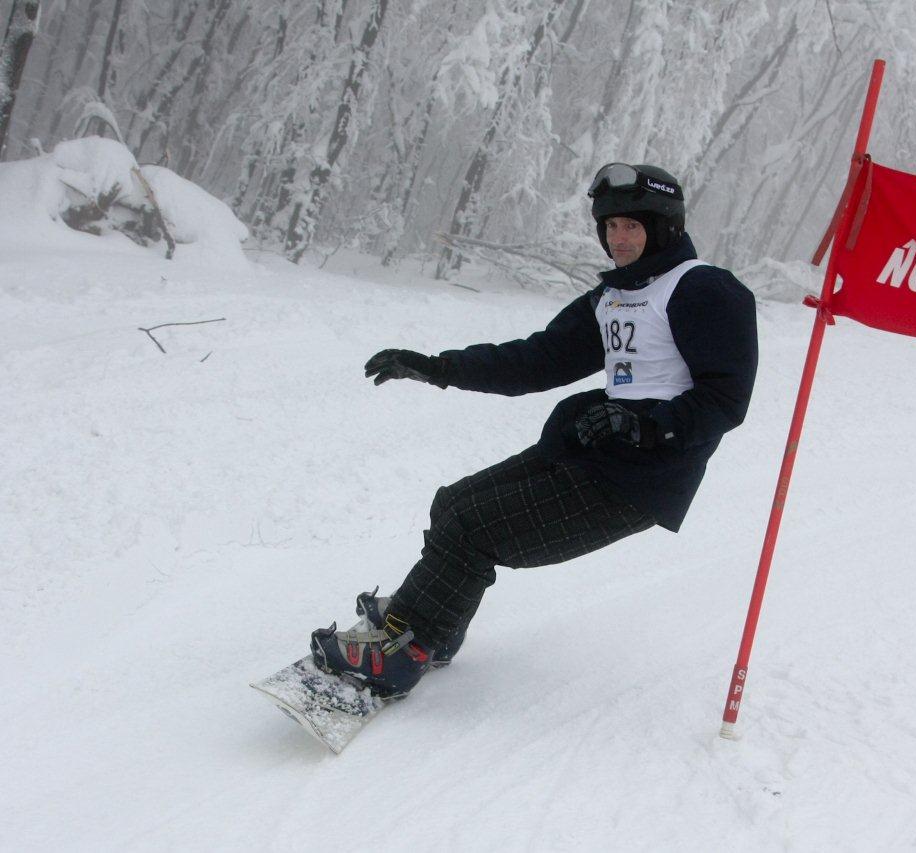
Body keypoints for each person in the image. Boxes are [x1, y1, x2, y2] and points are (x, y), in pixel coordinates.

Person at [310, 163, 759, 697]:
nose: (618, 239)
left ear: (663, 228)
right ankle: (437, 622)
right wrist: (438, 368)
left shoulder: (704, 290)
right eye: (610, 226)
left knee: (473, 528)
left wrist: (642, 425)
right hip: (593, 450)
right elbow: (535, 360)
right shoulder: (614, 296)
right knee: (454, 504)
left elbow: (725, 399)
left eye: (631, 227)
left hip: (640, 480)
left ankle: (401, 653)